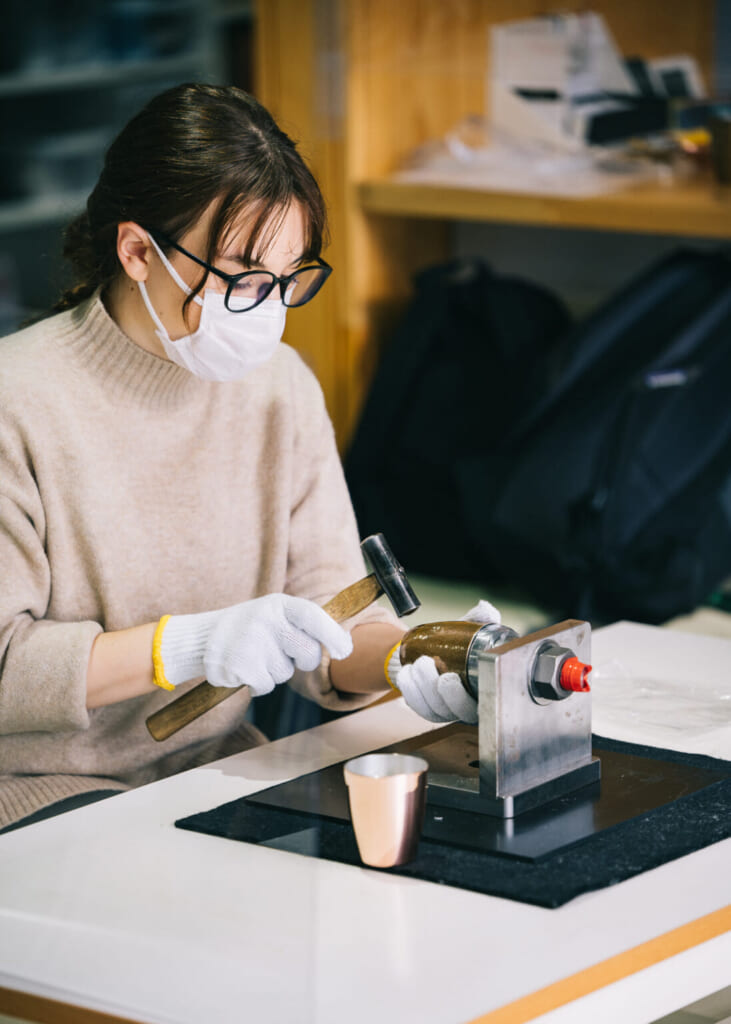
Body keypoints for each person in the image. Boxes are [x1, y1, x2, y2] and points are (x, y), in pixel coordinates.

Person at [0, 83, 491, 834]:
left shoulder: (279, 391)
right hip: (40, 793)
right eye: (244, 278)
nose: (267, 307)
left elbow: (333, 620)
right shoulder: (19, 402)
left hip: (220, 774)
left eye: (288, 280)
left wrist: (410, 661)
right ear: (137, 251)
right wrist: (186, 645)